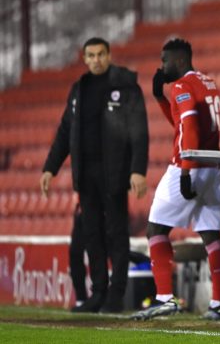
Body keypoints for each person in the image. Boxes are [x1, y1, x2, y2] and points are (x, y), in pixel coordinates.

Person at [40, 37, 149, 313]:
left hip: (114, 173)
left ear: (109, 55)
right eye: (91, 55)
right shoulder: (79, 89)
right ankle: (98, 292)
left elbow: (139, 132)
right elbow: (65, 131)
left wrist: (137, 170)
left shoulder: (125, 86)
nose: (96, 59)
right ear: (85, 58)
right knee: (92, 235)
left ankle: (116, 293)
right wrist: (50, 168)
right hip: (86, 175)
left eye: (101, 54)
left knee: (116, 232)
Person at [130, 39, 220, 321]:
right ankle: (217, 305)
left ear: (180, 61)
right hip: (213, 167)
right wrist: (161, 98)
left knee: (155, 230)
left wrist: (185, 170)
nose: (162, 66)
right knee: (211, 235)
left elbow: (190, 127)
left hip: (189, 165)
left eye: (165, 60)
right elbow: (182, 123)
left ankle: (164, 298)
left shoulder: (183, 86)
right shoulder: (208, 82)